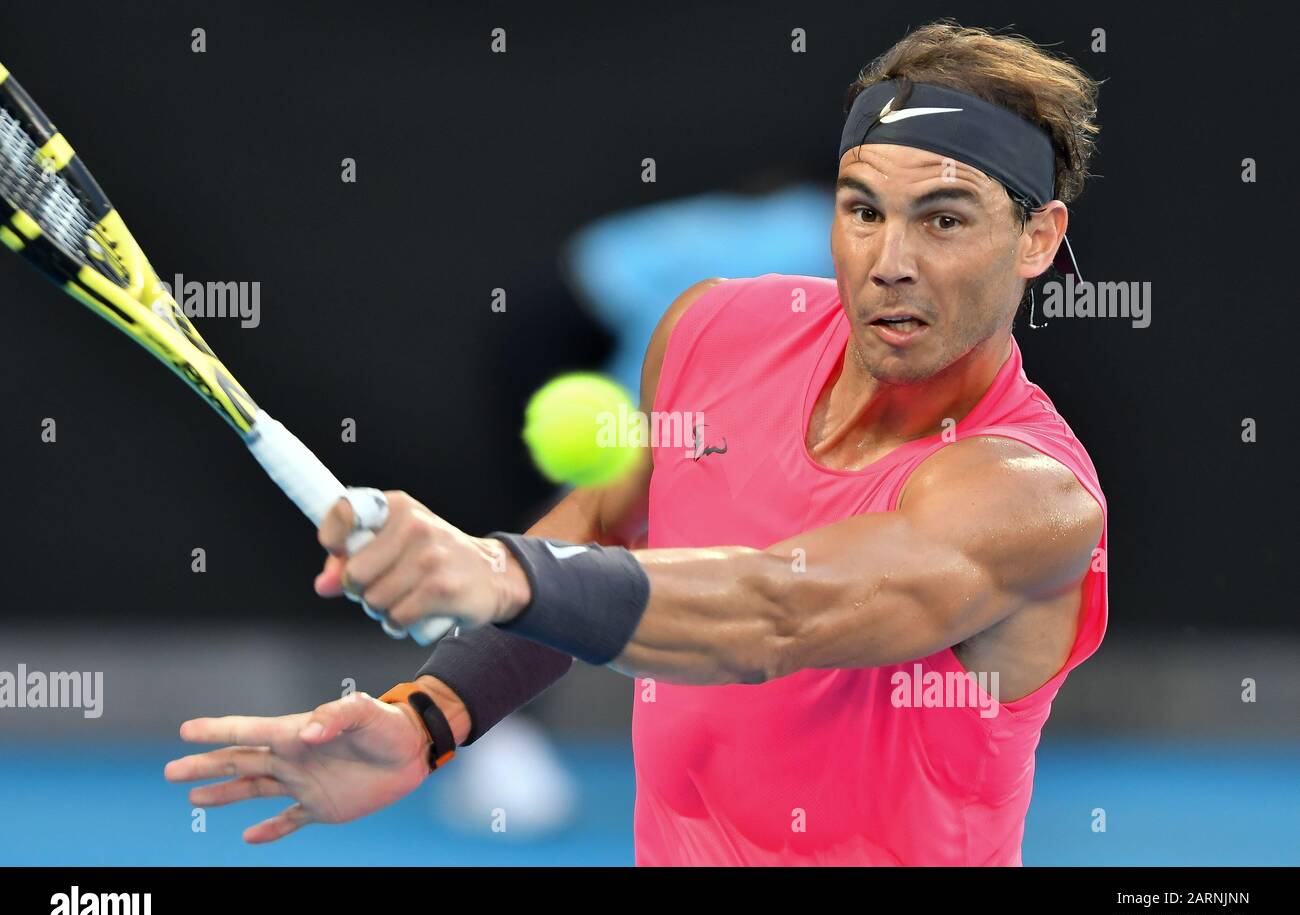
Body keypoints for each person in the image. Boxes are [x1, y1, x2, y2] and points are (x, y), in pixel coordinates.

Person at [166, 20, 1107, 865]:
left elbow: (777, 613)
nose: (889, 262)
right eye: (863, 211)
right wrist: (430, 718)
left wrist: (501, 571)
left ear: (1036, 239)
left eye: (945, 219)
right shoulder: (715, 333)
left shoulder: (1032, 499)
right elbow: (606, 536)